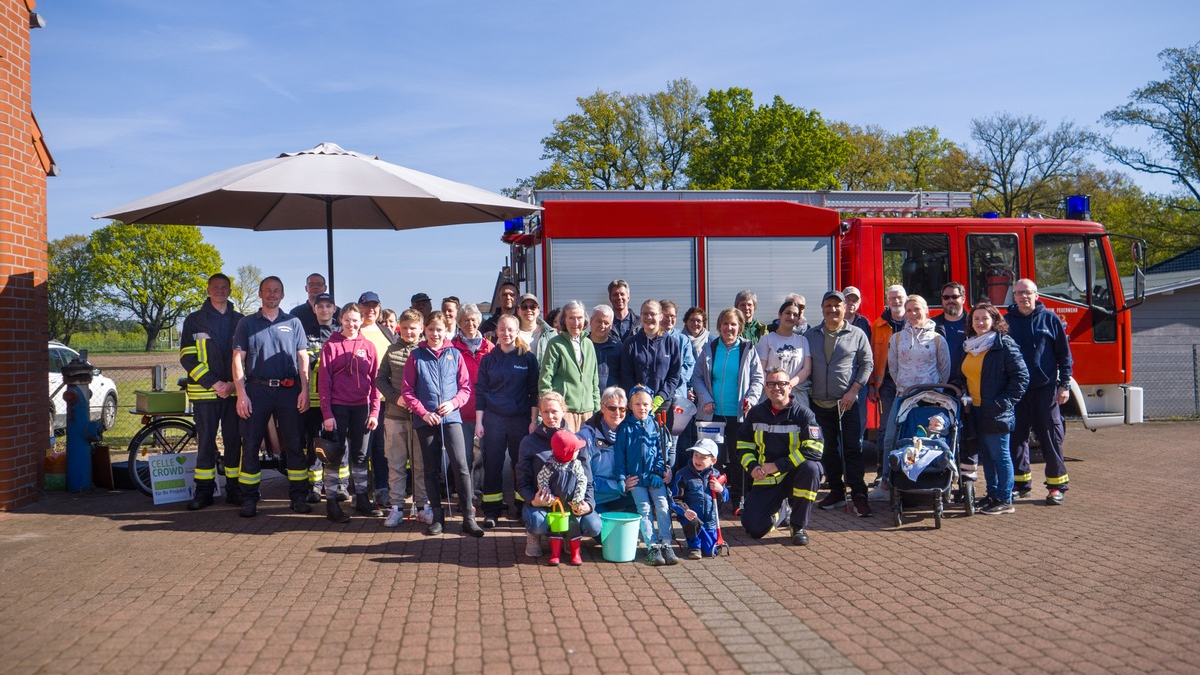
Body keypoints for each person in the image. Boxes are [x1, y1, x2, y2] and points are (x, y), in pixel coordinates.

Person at [231, 276, 310, 518]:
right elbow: (237, 359)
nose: (272, 295)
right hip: (257, 391)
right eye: (268, 290)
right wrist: (241, 393)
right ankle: (250, 499)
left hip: (289, 390)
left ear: (283, 295)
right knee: (252, 444)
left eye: (276, 291)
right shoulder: (246, 323)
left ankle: (298, 497)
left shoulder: (294, 322)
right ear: (260, 293)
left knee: (295, 444)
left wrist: (305, 389)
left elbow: (303, 357)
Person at [401, 311, 484, 537]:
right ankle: (438, 518)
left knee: (461, 465)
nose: (435, 334)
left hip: (451, 418)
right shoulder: (416, 356)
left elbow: (465, 388)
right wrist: (423, 412)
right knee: (431, 468)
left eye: (439, 330)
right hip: (425, 420)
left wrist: (453, 403)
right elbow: (407, 391)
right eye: (431, 330)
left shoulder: (454, 354)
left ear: (446, 330)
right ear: (424, 331)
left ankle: (469, 517)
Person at [950, 303, 1029, 515]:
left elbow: (1021, 378)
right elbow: (967, 375)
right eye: (976, 319)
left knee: (1000, 455)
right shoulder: (970, 345)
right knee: (987, 455)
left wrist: (1002, 403)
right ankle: (993, 494)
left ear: (994, 321)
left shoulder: (1004, 345)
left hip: (995, 410)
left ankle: (1005, 498)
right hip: (974, 410)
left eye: (985, 318)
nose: (980, 322)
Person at [871, 294, 952, 501]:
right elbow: (894, 369)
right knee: (891, 439)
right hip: (904, 397)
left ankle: (940, 482)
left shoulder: (937, 339)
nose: (913, 314)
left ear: (927, 311)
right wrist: (906, 388)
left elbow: (944, 371)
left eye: (917, 309)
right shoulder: (896, 339)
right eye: (909, 310)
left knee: (932, 440)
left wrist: (929, 390)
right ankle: (887, 484)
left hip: (932, 398)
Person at [738, 367, 824, 546]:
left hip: (795, 475)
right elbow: (743, 446)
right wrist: (752, 467)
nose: (776, 387)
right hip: (767, 478)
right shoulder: (755, 414)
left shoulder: (804, 414)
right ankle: (782, 512)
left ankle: (797, 526)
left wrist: (778, 465)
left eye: (782, 383)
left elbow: (814, 449)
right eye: (771, 384)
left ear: (790, 387)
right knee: (753, 528)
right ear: (765, 388)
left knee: (812, 468)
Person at [806, 291, 874, 517]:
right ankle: (835, 491)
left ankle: (859, 495)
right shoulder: (811, 335)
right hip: (818, 404)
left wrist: (854, 391)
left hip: (847, 404)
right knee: (827, 451)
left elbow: (867, 364)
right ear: (822, 308)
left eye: (837, 305)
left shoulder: (856, 334)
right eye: (828, 305)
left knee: (852, 450)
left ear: (845, 308)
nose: (832, 309)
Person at [1006, 279, 1073, 505]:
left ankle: (1056, 486)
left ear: (1036, 295)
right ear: (1013, 296)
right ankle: (1020, 484)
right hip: (1016, 391)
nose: (1023, 297)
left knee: (1050, 438)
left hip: (1045, 390)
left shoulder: (1050, 319)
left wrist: (1065, 385)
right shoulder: (1006, 322)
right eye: (1019, 293)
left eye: (1028, 293)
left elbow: (1064, 355)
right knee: (1016, 439)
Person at [691, 308, 764, 512]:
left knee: (740, 459)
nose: (729, 328)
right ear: (719, 326)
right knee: (715, 459)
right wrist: (705, 397)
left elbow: (758, 379)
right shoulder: (709, 348)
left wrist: (751, 397)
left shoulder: (748, 349)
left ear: (740, 326)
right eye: (725, 324)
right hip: (713, 416)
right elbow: (696, 377)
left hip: (739, 416)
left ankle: (738, 500)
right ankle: (714, 499)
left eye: (733, 324)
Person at [182, 273, 244, 511]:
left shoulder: (241, 320)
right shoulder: (194, 320)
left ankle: (234, 489)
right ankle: (204, 491)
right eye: (215, 287)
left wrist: (231, 385)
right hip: (205, 394)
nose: (220, 290)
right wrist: (215, 384)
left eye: (224, 287)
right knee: (206, 443)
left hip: (234, 393)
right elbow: (187, 357)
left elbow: (248, 357)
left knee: (233, 442)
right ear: (208, 290)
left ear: (230, 291)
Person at [317, 302, 382, 521]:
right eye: (347, 320)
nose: (352, 324)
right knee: (334, 456)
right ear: (341, 320)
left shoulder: (369, 346)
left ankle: (362, 498)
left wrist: (374, 412)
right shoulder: (331, 345)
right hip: (337, 407)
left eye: (355, 320)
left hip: (361, 407)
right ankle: (332, 503)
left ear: (361, 320)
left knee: (361, 455)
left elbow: (375, 383)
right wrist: (327, 413)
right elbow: (323, 382)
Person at [517, 391, 601, 558]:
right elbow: (522, 482)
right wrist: (533, 500)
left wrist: (589, 504)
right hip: (544, 504)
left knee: (594, 526)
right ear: (540, 413)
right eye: (545, 412)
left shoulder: (576, 442)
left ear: (563, 410)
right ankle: (535, 535)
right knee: (538, 523)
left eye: (554, 411)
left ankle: (569, 536)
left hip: (571, 505)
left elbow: (587, 480)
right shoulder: (529, 442)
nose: (550, 416)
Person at [475, 314, 540, 528]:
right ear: (496, 332)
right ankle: (492, 510)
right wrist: (479, 422)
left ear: (517, 331)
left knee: (521, 464)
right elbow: (481, 392)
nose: (506, 333)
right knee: (492, 464)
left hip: (520, 420)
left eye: (510, 329)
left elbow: (533, 392)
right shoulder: (488, 359)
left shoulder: (527, 358)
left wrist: (533, 421)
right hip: (493, 419)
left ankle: (523, 507)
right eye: (502, 329)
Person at [376, 309, 428, 527]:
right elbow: (380, 379)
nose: (408, 332)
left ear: (421, 329)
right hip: (395, 416)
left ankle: (423, 506)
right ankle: (396, 507)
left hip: (420, 418)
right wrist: (396, 398)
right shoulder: (392, 350)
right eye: (404, 327)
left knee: (420, 464)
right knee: (396, 464)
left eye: (413, 328)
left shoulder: (427, 350)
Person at [616, 386, 678, 566]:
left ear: (651, 406)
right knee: (644, 509)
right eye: (637, 404)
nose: (641, 408)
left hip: (654, 477)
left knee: (663, 506)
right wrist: (621, 477)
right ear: (630, 405)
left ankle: (666, 543)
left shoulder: (658, 426)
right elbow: (620, 456)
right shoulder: (625, 429)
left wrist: (659, 471)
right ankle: (652, 546)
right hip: (635, 480)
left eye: (645, 404)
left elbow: (662, 452)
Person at [301, 292, 343, 504]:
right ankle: (315, 487)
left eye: (329, 306)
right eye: (320, 306)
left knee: (339, 442)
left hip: (339, 399)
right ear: (314, 309)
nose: (324, 309)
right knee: (314, 443)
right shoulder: (305, 333)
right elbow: (301, 362)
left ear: (335, 309)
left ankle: (340, 486)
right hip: (314, 399)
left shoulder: (342, 332)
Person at [538, 299, 600, 433]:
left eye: (579, 318)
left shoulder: (589, 344)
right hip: (565, 412)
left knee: (586, 453)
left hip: (588, 413)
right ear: (564, 321)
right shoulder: (555, 344)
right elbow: (545, 379)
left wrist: (597, 411)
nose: (576, 323)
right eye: (571, 318)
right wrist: (549, 409)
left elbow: (594, 382)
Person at [358, 291, 394, 509]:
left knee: (381, 449)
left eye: (375, 305)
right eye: (367, 305)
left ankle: (381, 491)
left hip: (383, 400)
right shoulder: (355, 331)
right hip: (360, 401)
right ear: (360, 306)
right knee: (362, 449)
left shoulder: (386, 332)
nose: (371, 309)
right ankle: (360, 492)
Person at [868, 285, 908, 483]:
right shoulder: (878, 325)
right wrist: (873, 384)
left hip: (911, 383)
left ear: (906, 298)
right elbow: (873, 357)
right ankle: (882, 472)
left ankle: (906, 468)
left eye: (899, 297)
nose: (896, 301)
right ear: (887, 300)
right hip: (887, 384)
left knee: (909, 425)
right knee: (885, 428)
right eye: (892, 297)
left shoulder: (915, 320)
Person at [536, 429, 591, 566]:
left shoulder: (576, 465)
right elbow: (542, 481)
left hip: (572, 504)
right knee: (556, 528)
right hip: (556, 505)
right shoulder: (549, 466)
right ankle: (555, 554)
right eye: (575, 450)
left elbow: (582, 481)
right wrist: (549, 495)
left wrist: (578, 498)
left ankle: (575, 553)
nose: (578, 452)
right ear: (566, 453)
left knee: (574, 526)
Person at [619, 299, 682, 417]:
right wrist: (638, 397)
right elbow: (626, 374)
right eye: (645, 313)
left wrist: (661, 397)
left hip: (663, 405)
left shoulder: (672, 343)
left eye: (652, 314)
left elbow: (674, 376)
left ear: (661, 316)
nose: (648, 317)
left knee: (661, 436)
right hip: (638, 405)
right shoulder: (631, 343)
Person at [577, 386, 635, 514]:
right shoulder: (585, 437)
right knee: (596, 528)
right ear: (602, 408)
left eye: (622, 409)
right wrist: (617, 485)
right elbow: (584, 479)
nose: (618, 413)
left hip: (619, 494)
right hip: (593, 498)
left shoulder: (628, 432)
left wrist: (664, 471)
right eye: (612, 408)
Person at [451, 303, 494, 469]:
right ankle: (465, 492)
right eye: (465, 320)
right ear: (459, 323)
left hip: (486, 412)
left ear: (479, 321)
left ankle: (485, 490)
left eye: (473, 319)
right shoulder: (452, 349)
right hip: (462, 413)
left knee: (487, 455)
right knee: (464, 457)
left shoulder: (490, 348)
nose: (470, 323)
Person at [669, 439, 727, 559]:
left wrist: (720, 490)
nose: (697, 460)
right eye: (696, 455)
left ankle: (706, 543)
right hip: (691, 517)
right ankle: (694, 546)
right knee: (693, 523)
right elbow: (675, 498)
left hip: (710, 520)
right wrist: (685, 511)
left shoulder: (716, 476)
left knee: (711, 551)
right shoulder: (683, 474)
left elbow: (725, 498)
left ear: (713, 461)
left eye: (703, 457)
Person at [756, 298, 812, 409]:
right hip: (772, 394)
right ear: (780, 315)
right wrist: (775, 387)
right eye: (788, 313)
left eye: (795, 315)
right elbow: (760, 369)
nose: (791, 317)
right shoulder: (766, 339)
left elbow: (806, 369)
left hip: (797, 394)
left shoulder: (802, 340)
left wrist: (789, 384)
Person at [933, 282, 969, 375]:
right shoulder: (931, 325)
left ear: (963, 299)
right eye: (946, 297)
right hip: (937, 382)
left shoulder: (973, 324)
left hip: (966, 381)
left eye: (954, 297)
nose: (950, 300)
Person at [588, 304, 622, 393]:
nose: (602, 326)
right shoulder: (581, 346)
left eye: (606, 323)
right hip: (587, 399)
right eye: (599, 321)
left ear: (611, 326)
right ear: (591, 321)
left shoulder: (619, 348)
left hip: (611, 401)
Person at [516, 293, 556, 362]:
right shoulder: (510, 334)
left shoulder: (551, 334)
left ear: (538, 311)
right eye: (524, 307)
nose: (528, 310)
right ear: (518, 311)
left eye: (533, 307)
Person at [608, 279, 635, 343]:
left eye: (622, 294)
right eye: (615, 295)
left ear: (628, 297)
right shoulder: (604, 324)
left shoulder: (640, 324)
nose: (619, 297)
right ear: (610, 298)